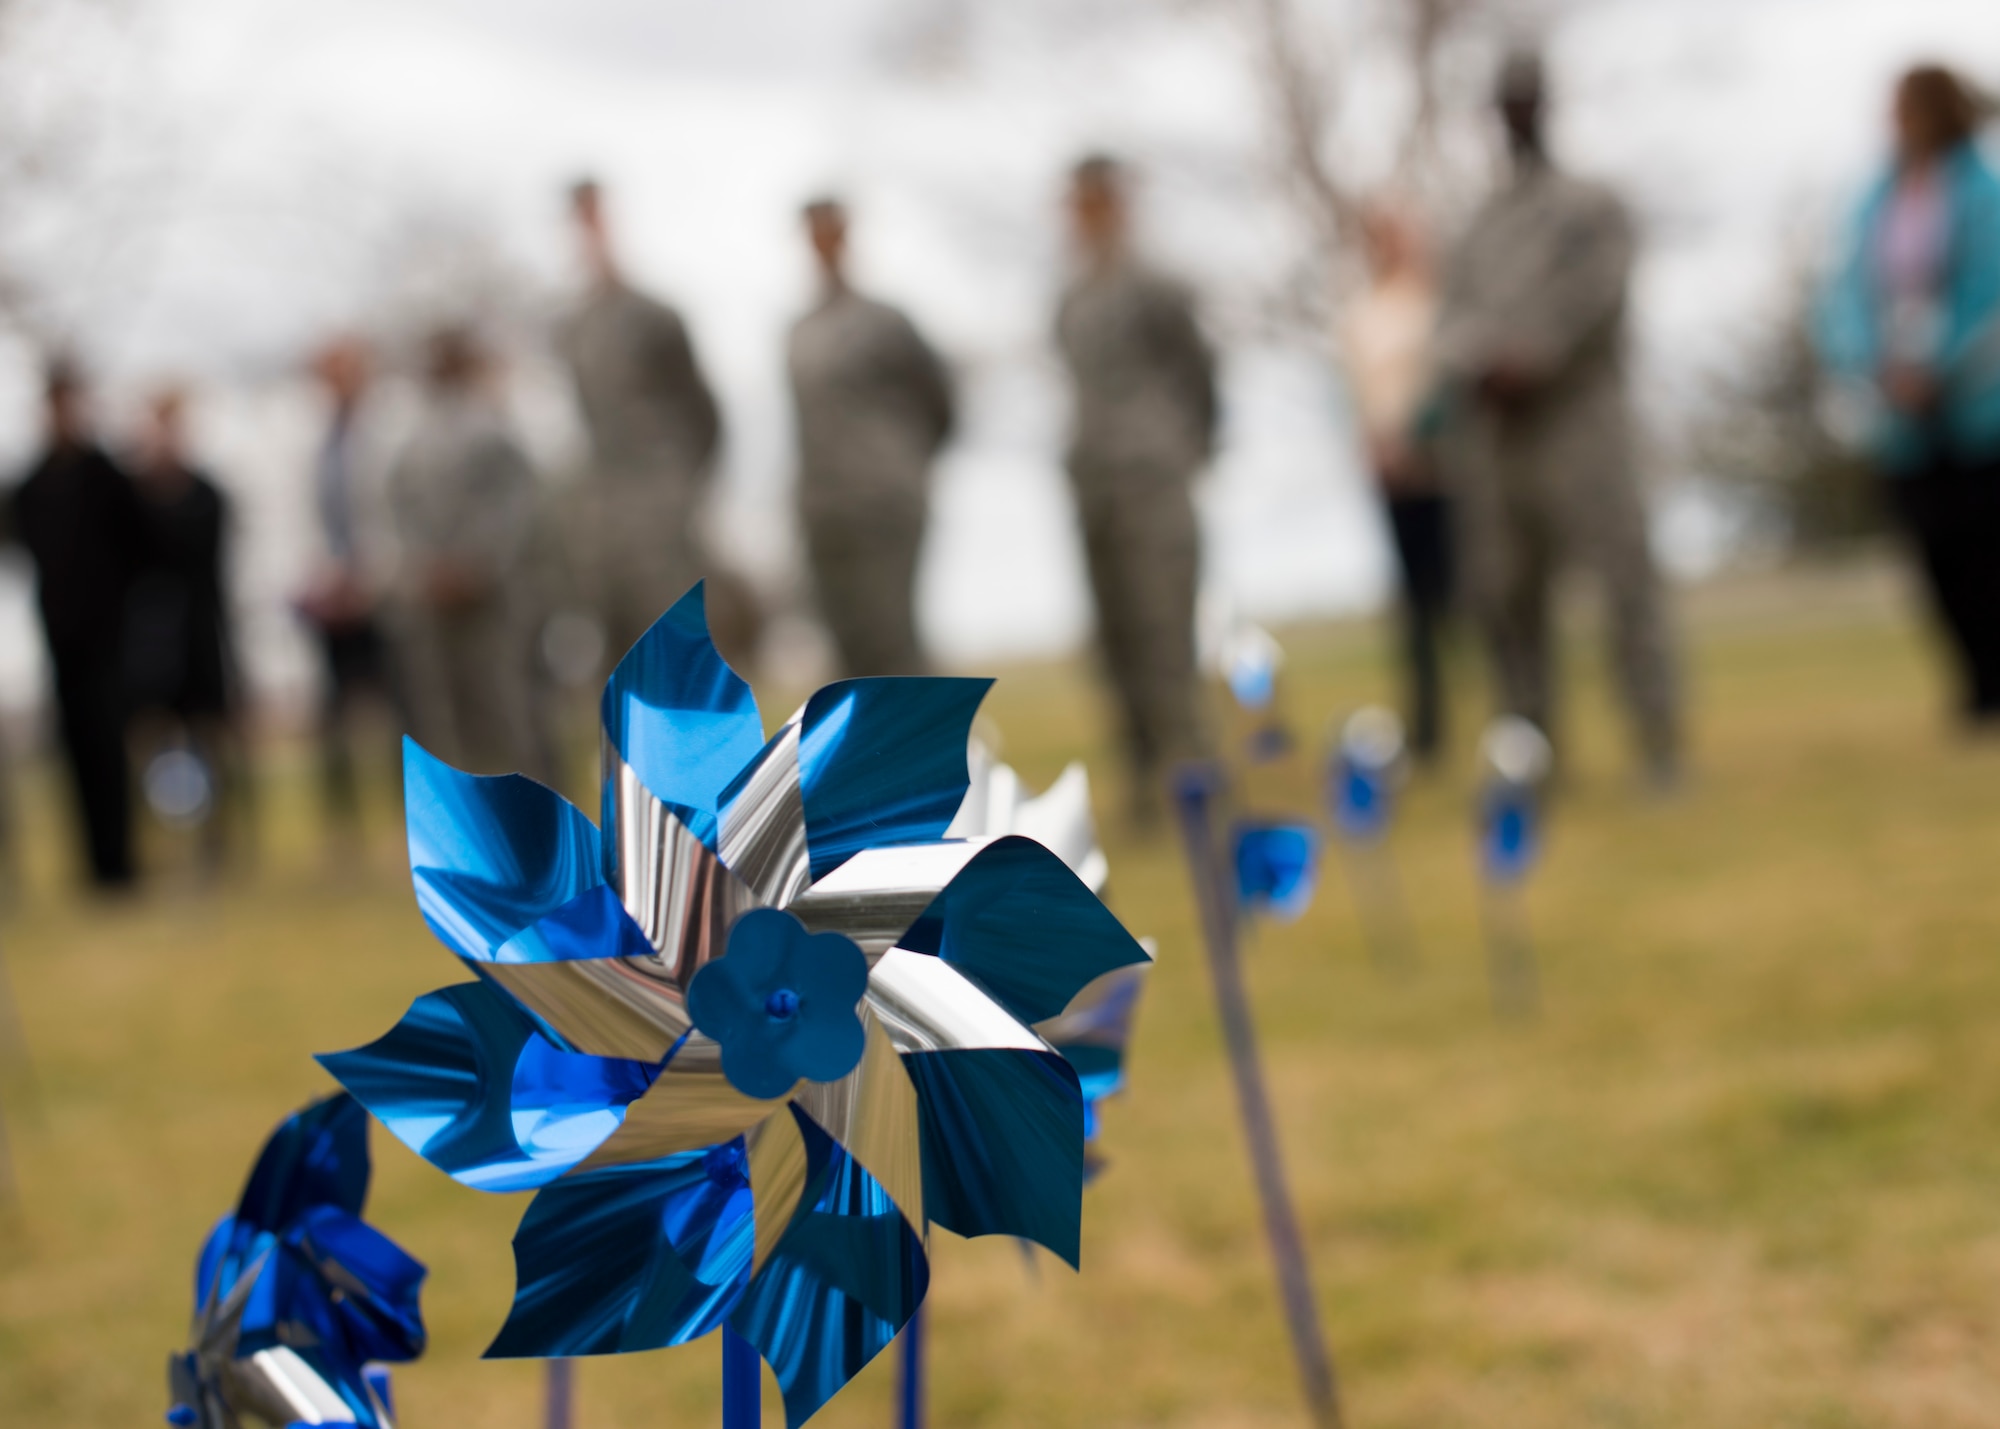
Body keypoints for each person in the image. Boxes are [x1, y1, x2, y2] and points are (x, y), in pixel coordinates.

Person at [1433, 49, 1680, 786]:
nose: (1515, 114)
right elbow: (1449, 319)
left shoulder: (1589, 205)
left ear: (1545, 106)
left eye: (1526, 100)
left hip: (1581, 424)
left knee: (1624, 585)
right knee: (1507, 600)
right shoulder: (1479, 221)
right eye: (1504, 102)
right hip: (1499, 438)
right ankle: (1532, 758)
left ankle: (1658, 744)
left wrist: (1532, 357)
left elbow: (1600, 296)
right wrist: (1479, 361)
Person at [1820, 64, 2000, 724]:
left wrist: (1941, 369)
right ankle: (1975, 684)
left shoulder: (1984, 192)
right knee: (1933, 548)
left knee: (1986, 547)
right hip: (1900, 407)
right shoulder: (1876, 199)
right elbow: (1842, 294)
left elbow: (1991, 296)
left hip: (1979, 405)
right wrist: (1874, 364)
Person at [1056, 155, 1218, 823]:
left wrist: (1182, 450)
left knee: (1163, 630)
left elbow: (1201, 374)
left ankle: (1191, 773)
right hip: (1094, 483)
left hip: (1152, 478)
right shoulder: (1069, 299)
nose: (1086, 217)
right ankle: (1144, 778)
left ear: (1118, 204)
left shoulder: (1156, 287)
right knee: (1116, 634)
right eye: (1076, 205)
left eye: (1096, 202)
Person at [558, 178, 723, 663]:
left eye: (596, 216)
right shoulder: (574, 328)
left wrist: (679, 490)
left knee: (675, 637)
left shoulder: (655, 317)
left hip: (660, 503)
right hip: (604, 516)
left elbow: (704, 413)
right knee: (619, 645)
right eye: (580, 219)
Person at [787, 197, 955, 676]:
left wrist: (901, 469)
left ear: (845, 236)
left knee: (893, 640)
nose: (822, 243)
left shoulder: (885, 323)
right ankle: (866, 753)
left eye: (830, 231)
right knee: (847, 648)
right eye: (812, 233)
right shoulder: (799, 332)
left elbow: (940, 404)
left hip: (883, 505)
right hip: (825, 510)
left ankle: (925, 750)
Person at [3, 361, 145, 887]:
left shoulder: (106, 475)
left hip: (109, 636)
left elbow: (139, 550)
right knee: (75, 749)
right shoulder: (33, 483)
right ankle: (93, 864)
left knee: (111, 748)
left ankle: (123, 862)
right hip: (60, 637)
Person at [387, 327, 544, 780]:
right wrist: (425, 567)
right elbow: (400, 506)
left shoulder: (493, 430)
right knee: (447, 716)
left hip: (491, 597)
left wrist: (476, 563)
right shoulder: (414, 439)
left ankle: (532, 816)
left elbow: (513, 504)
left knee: (506, 708)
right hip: (435, 598)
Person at [1341, 203, 1452, 764]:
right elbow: (1360, 390)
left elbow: (1443, 381)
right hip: (1391, 474)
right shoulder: (1362, 313)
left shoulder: (1435, 303)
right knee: (1413, 605)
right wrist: (1378, 445)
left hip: (1442, 468)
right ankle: (1428, 728)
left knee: (1461, 592)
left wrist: (1420, 437)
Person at [125, 384, 244, 865]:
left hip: (198, 635)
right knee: (150, 739)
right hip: (148, 641)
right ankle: (161, 840)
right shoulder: (130, 499)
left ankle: (216, 840)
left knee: (209, 735)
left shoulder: (207, 495)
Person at [297, 336, 404, 838]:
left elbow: (392, 519)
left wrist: (369, 577)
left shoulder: (388, 434)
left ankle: (411, 821)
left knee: (401, 715)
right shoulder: (320, 443)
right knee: (334, 719)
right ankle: (346, 828)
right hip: (336, 598)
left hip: (384, 596)